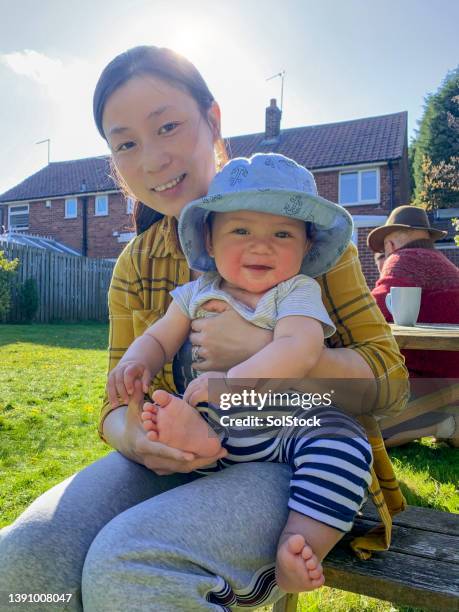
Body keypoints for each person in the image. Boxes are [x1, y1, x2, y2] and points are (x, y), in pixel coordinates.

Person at [0, 46, 407, 612]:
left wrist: (266, 352)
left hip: (297, 455)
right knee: (21, 563)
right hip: (184, 449)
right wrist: (135, 437)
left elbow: (389, 381)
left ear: (212, 122)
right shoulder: (137, 264)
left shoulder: (302, 237)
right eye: (126, 143)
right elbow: (114, 402)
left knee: (132, 567)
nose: (153, 159)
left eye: (168, 126)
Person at [107, 153, 372, 592]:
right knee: (180, 411)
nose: (261, 245)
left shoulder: (295, 291)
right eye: (241, 230)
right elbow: (159, 337)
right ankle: (197, 443)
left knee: (344, 447)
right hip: (220, 428)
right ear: (209, 241)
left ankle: (300, 541)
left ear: (306, 248)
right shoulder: (195, 293)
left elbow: (299, 347)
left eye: (282, 233)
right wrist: (138, 361)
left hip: (291, 429)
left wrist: (231, 381)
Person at [368, 205, 459, 447]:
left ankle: (445, 423)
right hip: (448, 378)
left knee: (355, 425)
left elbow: (371, 316)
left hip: (430, 384)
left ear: (390, 244)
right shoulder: (445, 264)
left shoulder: (403, 259)